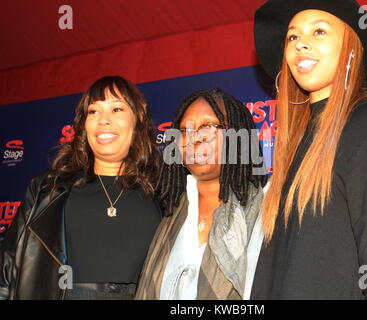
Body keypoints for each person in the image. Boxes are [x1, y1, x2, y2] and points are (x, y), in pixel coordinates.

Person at [251, 0, 367, 299]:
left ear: (352, 48)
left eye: (319, 32)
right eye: (293, 37)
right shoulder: (296, 143)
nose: (301, 45)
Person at [0, 76, 162, 300]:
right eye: (93, 111)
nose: (103, 119)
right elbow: (7, 269)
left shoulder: (164, 192)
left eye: (116, 109)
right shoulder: (47, 189)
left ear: (138, 118)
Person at [135, 88, 268, 300]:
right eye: (185, 130)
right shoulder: (170, 212)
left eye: (208, 126)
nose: (194, 139)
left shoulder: (267, 213)